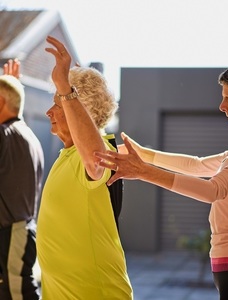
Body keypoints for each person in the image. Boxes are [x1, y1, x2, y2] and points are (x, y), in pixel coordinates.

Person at [95, 59, 228, 300]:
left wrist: (143, 172)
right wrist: (145, 155)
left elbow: (212, 190)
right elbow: (197, 165)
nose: (222, 106)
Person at [36, 36, 133, 299]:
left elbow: (95, 158)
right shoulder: (65, 156)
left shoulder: (99, 150)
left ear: (80, 110)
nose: (49, 112)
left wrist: (65, 88)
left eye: (57, 104)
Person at [0, 59, 44, 300]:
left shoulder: (6, 135)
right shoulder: (26, 134)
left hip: (12, 233)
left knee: (18, 294)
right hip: (19, 231)